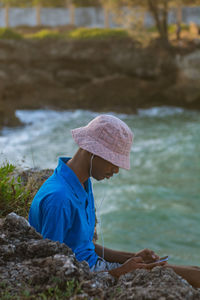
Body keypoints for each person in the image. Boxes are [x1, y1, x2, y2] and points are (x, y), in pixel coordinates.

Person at [29, 114, 200, 286]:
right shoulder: (59, 199)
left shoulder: (81, 182)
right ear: (91, 151)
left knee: (193, 271)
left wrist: (131, 257)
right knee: (190, 276)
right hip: (87, 277)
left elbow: (80, 244)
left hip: (96, 268)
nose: (116, 170)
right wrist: (117, 273)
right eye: (113, 160)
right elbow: (50, 272)